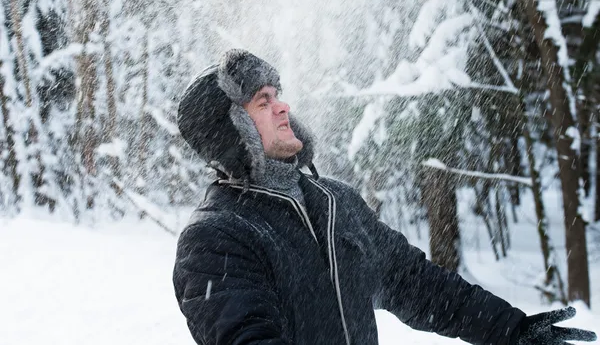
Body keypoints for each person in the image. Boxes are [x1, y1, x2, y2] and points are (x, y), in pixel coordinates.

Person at [173, 49, 597, 345]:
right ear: (230, 132)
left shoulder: (334, 204)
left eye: (278, 94)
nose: (283, 107)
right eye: (263, 101)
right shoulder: (216, 237)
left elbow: (418, 284)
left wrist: (512, 330)